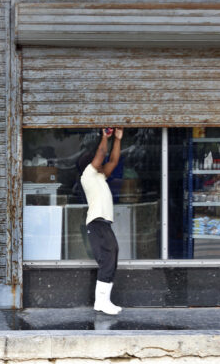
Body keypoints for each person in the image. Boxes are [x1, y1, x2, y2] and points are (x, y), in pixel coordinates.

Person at [80, 128, 124, 315]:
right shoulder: (88, 175)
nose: (100, 162)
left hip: (103, 223)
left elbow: (113, 161)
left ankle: (103, 301)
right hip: (97, 222)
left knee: (111, 256)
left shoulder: (100, 176)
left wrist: (118, 139)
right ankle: (101, 302)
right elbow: (102, 153)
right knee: (108, 258)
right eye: (96, 160)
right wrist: (105, 137)